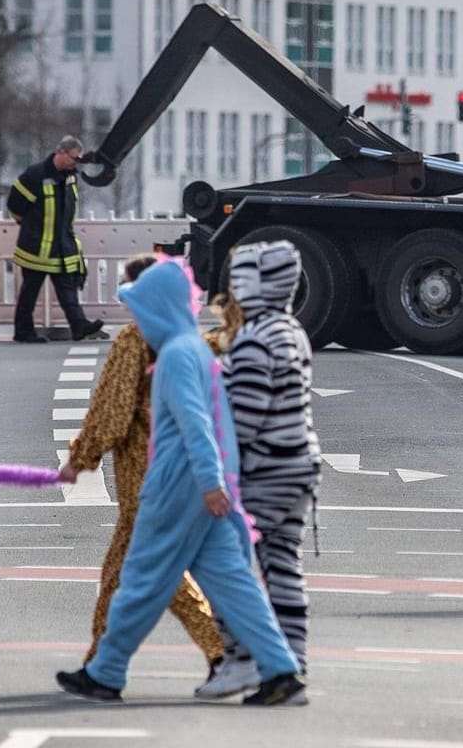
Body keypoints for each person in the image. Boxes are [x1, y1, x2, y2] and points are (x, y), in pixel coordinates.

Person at [55, 258, 307, 707]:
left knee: (140, 579)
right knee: (232, 582)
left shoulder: (172, 356)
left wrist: (210, 481)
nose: (137, 320)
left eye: (141, 310)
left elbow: (194, 425)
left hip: (174, 482)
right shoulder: (196, 350)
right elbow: (219, 423)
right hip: (207, 485)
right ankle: (280, 669)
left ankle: (106, 672)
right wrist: (222, 483)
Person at [59, 253, 225, 684]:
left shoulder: (134, 341)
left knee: (158, 573)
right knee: (120, 572)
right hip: (186, 472)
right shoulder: (192, 339)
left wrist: (81, 456)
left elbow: (112, 413)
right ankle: (100, 662)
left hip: (144, 476)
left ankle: (222, 652)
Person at [196, 241, 322, 699]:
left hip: (266, 470)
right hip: (299, 464)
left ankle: (243, 659)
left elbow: (242, 420)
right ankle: (291, 667)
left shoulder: (254, 339)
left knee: (223, 564)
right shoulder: (290, 329)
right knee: (283, 566)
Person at [10, 135, 105, 343]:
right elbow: (15, 205)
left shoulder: (70, 176)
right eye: (73, 158)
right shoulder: (35, 175)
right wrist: (30, 229)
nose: (76, 163)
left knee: (67, 291)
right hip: (36, 249)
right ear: (61, 153)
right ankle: (23, 331)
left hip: (61, 248)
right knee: (29, 293)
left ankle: (79, 326)